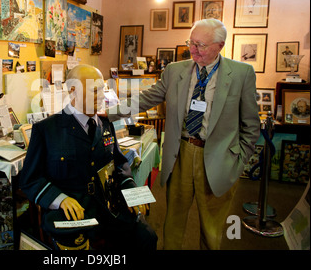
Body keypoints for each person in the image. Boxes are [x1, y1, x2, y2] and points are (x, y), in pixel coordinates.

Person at [107, 18, 260, 250]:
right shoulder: (174, 70)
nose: (193, 49)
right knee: (174, 221)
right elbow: (145, 98)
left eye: (201, 45)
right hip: (180, 153)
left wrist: (238, 163)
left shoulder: (242, 74)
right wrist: (105, 114)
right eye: (192, 42)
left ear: (220, 45)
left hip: (219, 159)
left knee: (211, 228)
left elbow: (251, 125)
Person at [19, 64, 157, 250]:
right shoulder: (47, 130)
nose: (101, 96)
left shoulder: (105, 124)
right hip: (73, 213)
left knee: (147, 237)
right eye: (94, 90)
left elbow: (119, 163)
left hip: (108, 206)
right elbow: (30, 179)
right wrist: (60, 199)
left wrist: (131, 189)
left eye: (102, 89)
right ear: (73, 91)